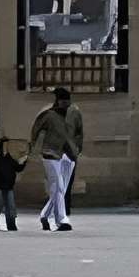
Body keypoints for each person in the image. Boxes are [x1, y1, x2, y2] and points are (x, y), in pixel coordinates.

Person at [29, 85, 83, 232]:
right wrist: (31, 146)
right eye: (61, 100)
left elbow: (79, 132)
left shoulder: (75, 112)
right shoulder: (48, 114)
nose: (64, 103)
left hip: (69, 154)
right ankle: (61, 220)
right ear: (57, 101)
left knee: (62, 189)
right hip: (51, 152)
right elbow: (36, 129)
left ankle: (45, 215)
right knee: (57, 185)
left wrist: (78, 148)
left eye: (66, 100)